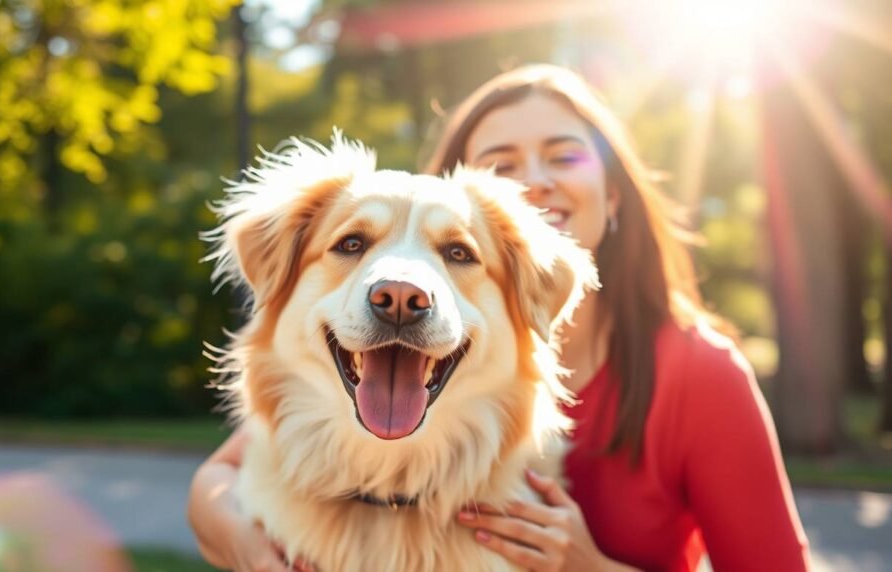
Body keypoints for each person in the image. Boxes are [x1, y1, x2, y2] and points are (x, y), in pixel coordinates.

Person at [188, 64, 810, 572]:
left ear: (615, 193)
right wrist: (254, 551)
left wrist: (586, 569)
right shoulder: (338, 388)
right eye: (502, 166)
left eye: (565, 157)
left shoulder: (698, 373)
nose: (533, 184)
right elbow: (219, 480)